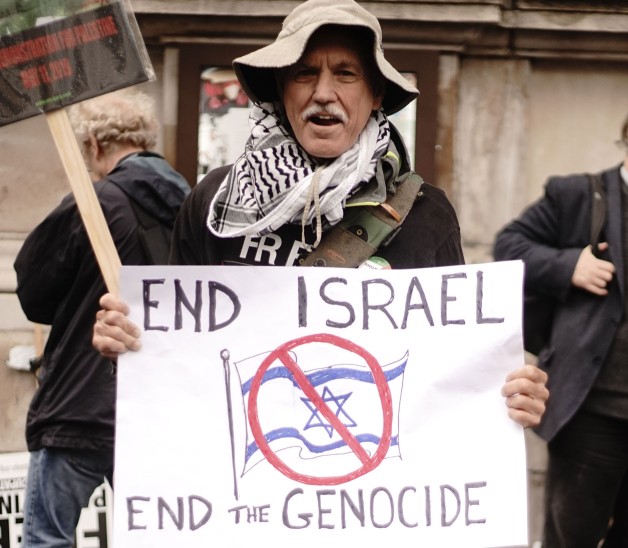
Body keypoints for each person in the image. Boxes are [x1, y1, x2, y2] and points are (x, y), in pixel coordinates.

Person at [91, 0, 548, 432]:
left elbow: (452, 369)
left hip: (368, 475)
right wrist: (132, 343)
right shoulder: (216, 202)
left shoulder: (427, 214)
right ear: (281, 89)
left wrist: (505, 397)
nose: (323, 93)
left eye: (345, 74)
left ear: (375, 95)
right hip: (239, 468)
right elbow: (176, 347)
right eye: (305, 73)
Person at [12, 89, 188, 548]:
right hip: (156, 407)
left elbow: (34, 293)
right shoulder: (191, 204)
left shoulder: (95, 203)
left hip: (80, 405)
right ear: (145, 138)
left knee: (47, 539)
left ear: (92, 144)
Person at [493, 116, 628, 547]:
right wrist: (570, 265)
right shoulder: (577, 194)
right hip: (591, 413)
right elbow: (508, 246)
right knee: (571, 537)